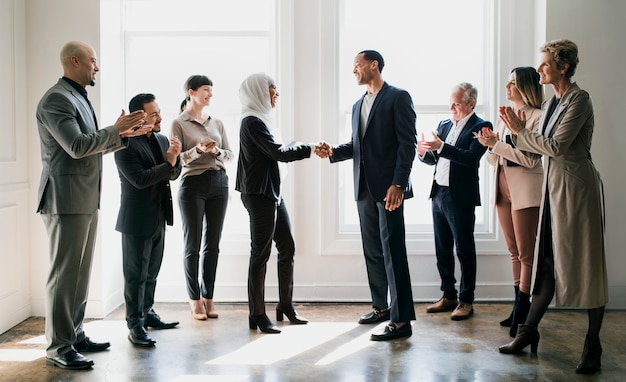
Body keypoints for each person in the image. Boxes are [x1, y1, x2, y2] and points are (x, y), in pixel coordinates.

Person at [36, 41, 151, 370]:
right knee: (64, 274)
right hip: (64, 198)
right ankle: (59, 346)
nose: (96, 67)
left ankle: (75, 334)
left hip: (84, 196)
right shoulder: (56, 99)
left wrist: (122, 133)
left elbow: (91, 144)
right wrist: (116, 130)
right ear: (74, 61)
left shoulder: (78, 98)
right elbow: (76, 146)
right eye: (92, 61)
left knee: (80, 273)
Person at [497, 39, 608, 375]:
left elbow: (557, 146)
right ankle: (528, 333)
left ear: (563, 67)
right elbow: (539, 150)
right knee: (545, 262)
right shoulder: (550, 104)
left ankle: (593, 344)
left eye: (545, 64)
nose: (540, 69)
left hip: (576, 188)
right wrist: (511, 136)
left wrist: (518, 132)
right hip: (552, 188)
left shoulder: (579, 99)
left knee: (588, 265)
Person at [324, 50, 417, 341]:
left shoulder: (398, 97)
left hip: (389, 189)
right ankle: (381, 307)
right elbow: (357, 146)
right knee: (373, 252)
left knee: (394, 253)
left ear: (373, 65)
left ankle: (401, 321)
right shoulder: (356, 105)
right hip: (363, 188)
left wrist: (398, 183)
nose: (354, 71)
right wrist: (332, 152)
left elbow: (407, 143)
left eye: (357, 65)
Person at [236, 72, 322, 333]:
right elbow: (278, 153)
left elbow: (279, 148)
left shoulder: (263, 120)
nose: (276, 93)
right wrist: (309, 147)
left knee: (287, 246)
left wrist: (305, 145)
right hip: (259, 194)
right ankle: (257, 314)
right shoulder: (252, 122)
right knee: (260, 253)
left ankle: (285, 304)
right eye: (272, 88)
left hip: (271, 191)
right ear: (259, 91)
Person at [474, 67, 543, 337]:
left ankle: (523, 312)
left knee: (527, 254)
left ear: (525, 86)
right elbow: (495, 159)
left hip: (525, 191)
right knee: (513, 251)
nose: (507, 85)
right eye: (508, 81)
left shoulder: (538, 116)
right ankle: (517, 307)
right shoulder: (505, 117)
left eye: (513, 82)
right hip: (502, 189)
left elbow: (529, 159)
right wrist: (489, 143)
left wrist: (497, 145)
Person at [418, 83, 492, 321]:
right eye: (451, 102)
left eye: (457, 103)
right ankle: (448, 294)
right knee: (442, 248)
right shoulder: (445, 125)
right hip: (438, 192)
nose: (451, 107)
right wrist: (423, 152)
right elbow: (434, 159)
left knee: (464, 249)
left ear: (471, 104)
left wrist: (441, 147)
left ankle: (466, 300)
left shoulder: (481, 127)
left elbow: (470, 159)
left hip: (460, 196)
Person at [114, 93, 182, 347]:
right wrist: (170, 161)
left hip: (159, 216)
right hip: (136, 219)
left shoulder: (162, 138)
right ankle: (134, 325)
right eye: (154, 114)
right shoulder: (124, 145)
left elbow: (173, 173)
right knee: (135, 275)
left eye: (158, 112)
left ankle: (148, 312)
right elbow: (141, 179)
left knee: (152, 272)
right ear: (139, 117)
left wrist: (174, 160)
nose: (160, 118)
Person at [171, 75, 233, 320]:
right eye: (206, 90)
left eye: (211, 90)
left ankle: (209, 297)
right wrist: (197, 150)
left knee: (213, 245)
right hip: (192, 184)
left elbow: (229, 155)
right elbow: (177, 159)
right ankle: (194, 300)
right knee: (192, 245)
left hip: (219, 182)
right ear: (191, 92)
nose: (210, 94)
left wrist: (215, 150)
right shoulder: (178, 123)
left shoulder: (216, 122)